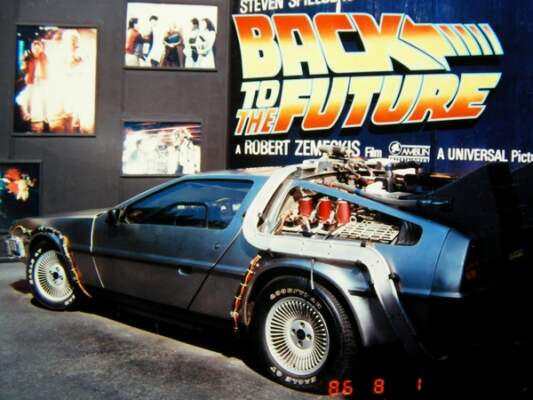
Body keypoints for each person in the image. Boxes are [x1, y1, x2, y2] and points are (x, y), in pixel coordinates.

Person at [16, 39, 49, 133]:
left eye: (38, 47)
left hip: (42, 82)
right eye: (35, 47)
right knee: (25, 99)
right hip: (32, 82)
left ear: (41, 48)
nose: (36, 49)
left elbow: (46, 70)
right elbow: (24, 69)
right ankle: (27, 118)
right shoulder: (29, 58)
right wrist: (24, 61)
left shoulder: (44, 57)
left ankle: (45, 119)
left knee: (44, 100)